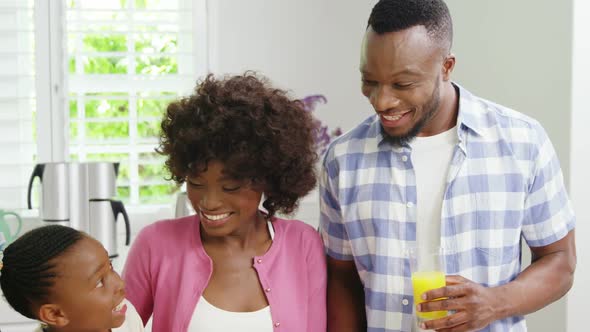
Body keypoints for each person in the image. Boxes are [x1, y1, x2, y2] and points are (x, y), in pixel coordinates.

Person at [319, 0, 576, 331]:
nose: (382, 101)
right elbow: (342, 280)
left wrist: (494, 303)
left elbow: (560, 261)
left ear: (446, 67)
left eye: (402, 84)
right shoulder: (343, 160)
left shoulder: (523, 142)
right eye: (370, 80)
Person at [122, 73, 327, 331]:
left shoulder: (303, 244)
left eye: (230, 186)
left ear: (266, 176)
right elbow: (111, 324)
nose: (209, 202)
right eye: (196, 183)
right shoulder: (155, 244)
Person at [0, 225, 143, 332]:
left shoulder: (128, 318)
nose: (120, 283)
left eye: (110, 266)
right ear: (55, 314)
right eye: (99, 282)